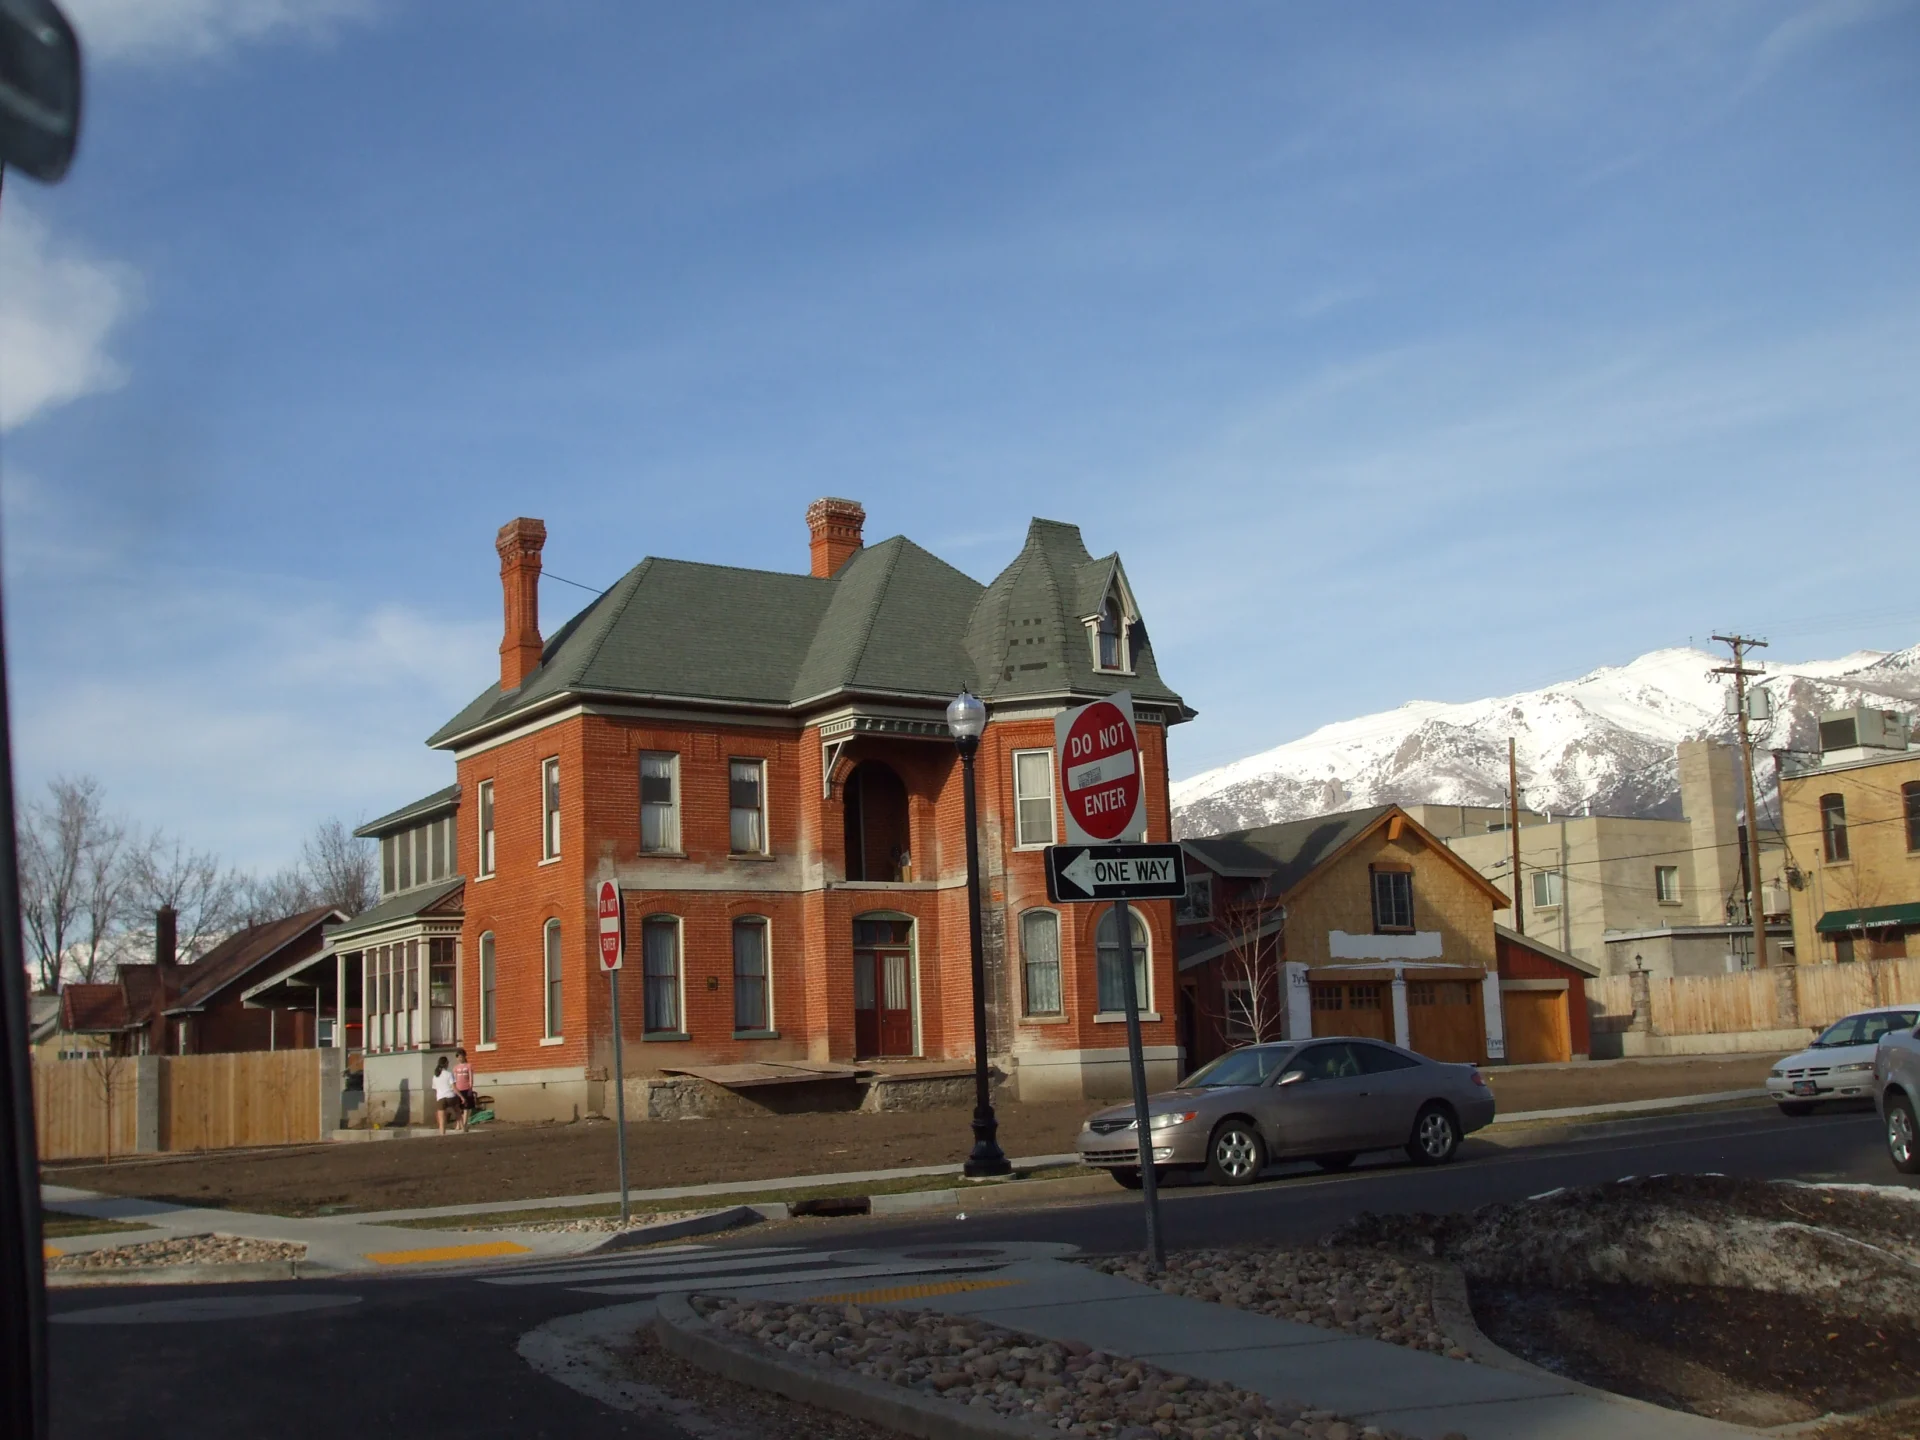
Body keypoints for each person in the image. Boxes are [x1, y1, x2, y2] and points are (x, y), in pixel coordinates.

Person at [431, 1055, 459, 1136]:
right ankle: (462, 1126)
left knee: (442, 1119)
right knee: (458, 1111)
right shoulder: (449, 1074)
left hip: (440, 1098)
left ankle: (442, 1133)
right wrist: (461, 1097)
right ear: (446, 1064)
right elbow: (454, 1088)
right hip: (451, 1096)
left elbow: (435, 1088)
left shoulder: (435, 1076)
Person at [451, 1048, 476, 1132]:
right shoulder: (455, 1068)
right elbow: (453, 1080)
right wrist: (454, 1089)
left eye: (461, 1057)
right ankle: (458, 1124)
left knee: (466, 1108)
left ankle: (465, 1124)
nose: (460, 1058)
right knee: (458, 1108)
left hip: (466, 1089)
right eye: (458, 1057)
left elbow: (471, 1078)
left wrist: (470, 1088)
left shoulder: (469, 1066)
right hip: (458, 1090)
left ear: (465, 1056)